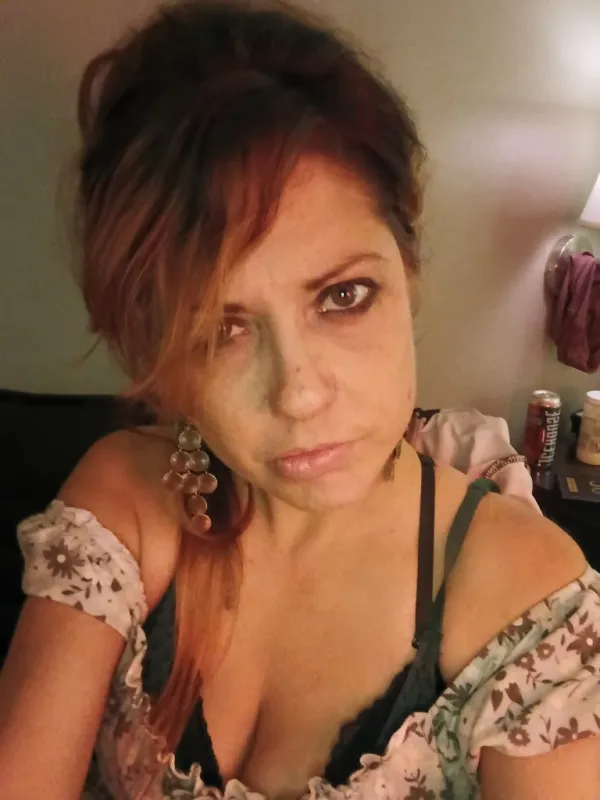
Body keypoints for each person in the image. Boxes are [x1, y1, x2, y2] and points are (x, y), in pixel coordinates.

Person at [0, 2, 599, 798]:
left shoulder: (527, 599)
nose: (300, 393)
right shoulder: (125, 502)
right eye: (219, 329)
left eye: (343, 295)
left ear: (408, 269)